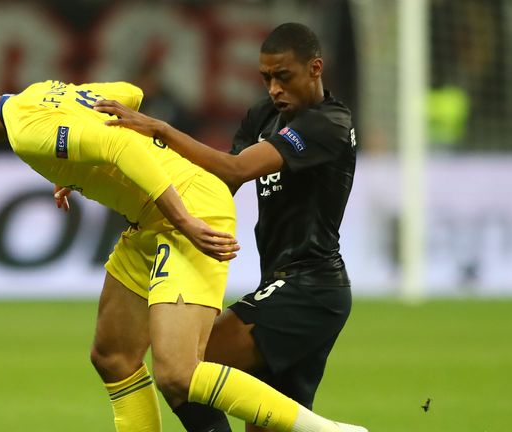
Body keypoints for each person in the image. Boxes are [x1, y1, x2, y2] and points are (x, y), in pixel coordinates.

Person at [0, 69, 364, 432]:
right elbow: (127, 94)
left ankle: (324, 431)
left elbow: (115, 143)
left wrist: (185, 220)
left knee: (179, 374)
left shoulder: (26, 131)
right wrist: (75, 167)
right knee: (112, 354)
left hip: (187, 206)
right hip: (152, 219)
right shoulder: (37, 95)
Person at [94, 22, 362, 432]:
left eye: (283, 77)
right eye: (266, 78)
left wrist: (161, 129)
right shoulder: (263, 116)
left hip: (311, 288)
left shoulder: (331, 123)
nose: (273, 88)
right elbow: (218, 183)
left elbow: (237, 166)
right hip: (282, 282)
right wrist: (111, 173)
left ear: (315, 69)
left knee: (186, 368)